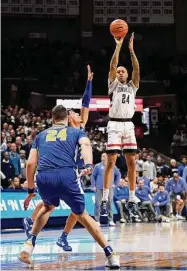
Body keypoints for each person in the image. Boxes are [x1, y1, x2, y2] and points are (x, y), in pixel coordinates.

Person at [19, 105, 120, 268]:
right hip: (67, 174)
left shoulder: (40, 135)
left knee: (47, 206)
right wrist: (88, 164)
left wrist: (30, 191)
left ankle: (29, 244)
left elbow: (30, 163)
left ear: (52, 119)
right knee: (82, 215)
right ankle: (110, 253)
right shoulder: (76, 132)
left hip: (44, 176)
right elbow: (86, 146)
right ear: (66, 118)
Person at [101, 33, 140, 218]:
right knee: (111, 162)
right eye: (119, 71)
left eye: (123, 71)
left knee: (132, 162)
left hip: (129, 125)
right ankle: (104, 200)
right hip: (115, 125)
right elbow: (112, 65)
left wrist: (131, 51)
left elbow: (137, 69)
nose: (120, 72)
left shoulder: (133, 86)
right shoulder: (113, 85)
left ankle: (132, 199)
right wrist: (118, 46)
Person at [91, 152, 121, 226]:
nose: (104, 157)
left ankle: (110, 220)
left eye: (105, 156)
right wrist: (93, 186)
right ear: (101, 158)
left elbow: (118, 174)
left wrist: (115, 184)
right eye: (103, 156)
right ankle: (97, 220)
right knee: (98, 203)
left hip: (109, 188)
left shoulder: (112, 166)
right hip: (99, 187)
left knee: (110, 203)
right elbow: (93, 176)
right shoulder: (97, 166)